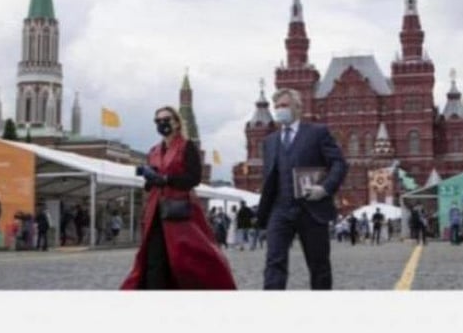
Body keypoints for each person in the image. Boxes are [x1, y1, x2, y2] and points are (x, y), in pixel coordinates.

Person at [121, 105, 236, 290]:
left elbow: (193, 178)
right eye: (158, 121)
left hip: (179, 211)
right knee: (154, 258)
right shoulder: (154, 150)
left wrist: (166, 179)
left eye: (166, 119)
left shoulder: (186, 146)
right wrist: (150, 178)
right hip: (156, 211)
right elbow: (152, 183)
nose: (162, 124)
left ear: (176, 122)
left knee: (185, 259)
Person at [256, 88, 348, 290]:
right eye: (277, 106)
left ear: (298, 107)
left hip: (311, 209)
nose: (279, 110)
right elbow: (270, 177)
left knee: (318, 265)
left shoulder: (317, 132)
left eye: (284, 105)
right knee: (274, 261)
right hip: (280, 209)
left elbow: (339, 163)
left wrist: (325, 188)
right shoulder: (270, 141)